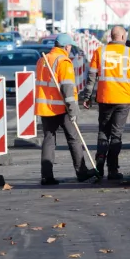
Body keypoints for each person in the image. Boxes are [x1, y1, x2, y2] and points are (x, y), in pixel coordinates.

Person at [81, 26, 130, 180]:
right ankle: (113, 170)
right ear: (123, 37)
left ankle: (100, 164)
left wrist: (87, 96)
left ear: (111, 36)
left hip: (104, 98)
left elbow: (91, 77)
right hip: (123, 100)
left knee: (103, 132)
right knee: (116, 135)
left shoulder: (100, 51)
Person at [35, 33, 97, 186]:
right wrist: (73, 110)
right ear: (67, 47)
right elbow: (68, 89)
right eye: (70, 47)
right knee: (73, 138)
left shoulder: (42, 60)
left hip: (45, 106)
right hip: (61, 107)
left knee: (49, 140)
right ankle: (81, 172)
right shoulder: (63, 61)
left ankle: (46, 176)